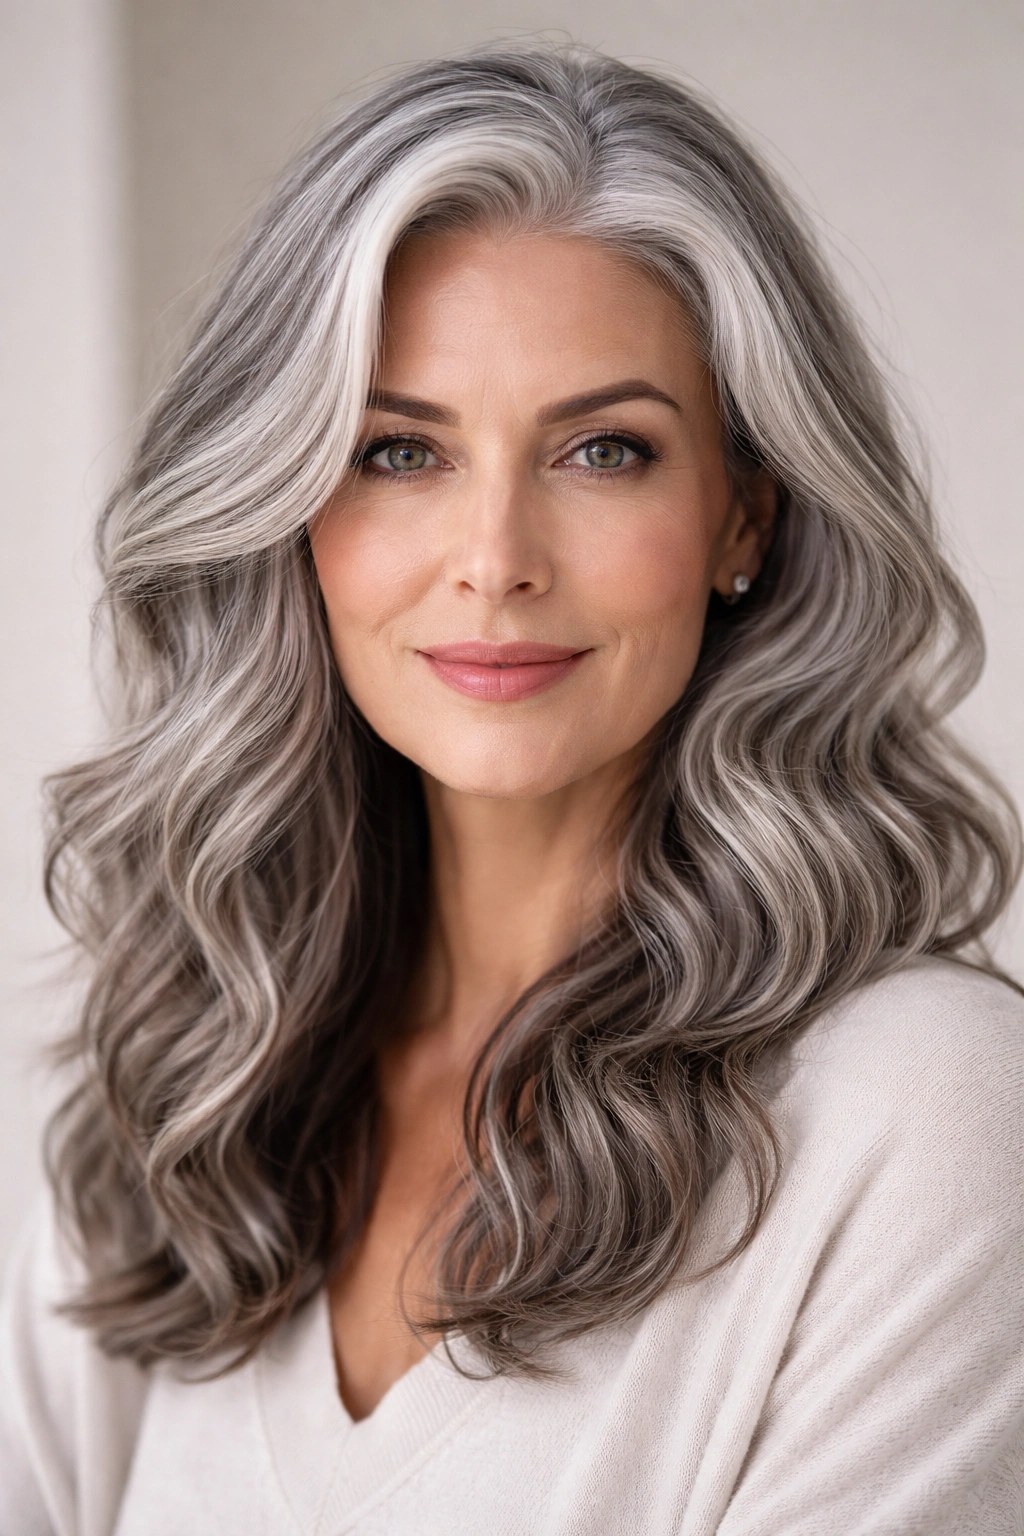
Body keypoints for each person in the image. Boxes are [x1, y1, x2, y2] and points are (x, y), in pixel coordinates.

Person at [1, 44, 1022, 1535]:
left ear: (743, 516)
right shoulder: (190, 1088)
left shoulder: (925, 1111)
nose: (495, 559)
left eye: (604, 450)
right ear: (286, 506)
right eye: (398, 451)